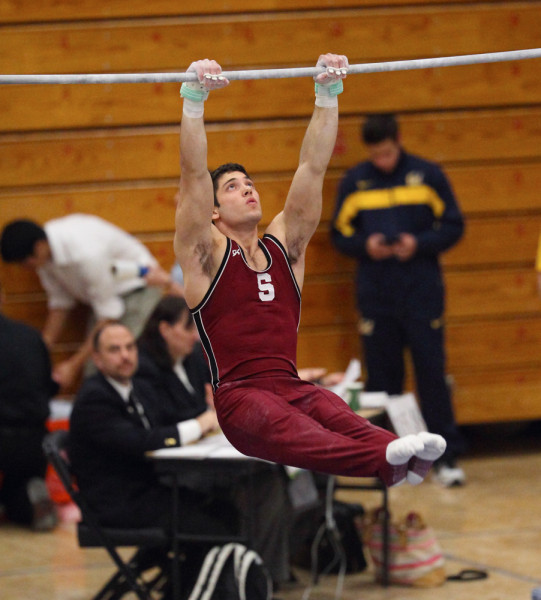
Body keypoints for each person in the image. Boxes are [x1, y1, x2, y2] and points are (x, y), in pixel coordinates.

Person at [173, 55, 447, 489]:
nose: (247, 189)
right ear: (211, 211)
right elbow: (191, 176)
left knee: (335, 411)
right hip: (241, 400)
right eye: (232, 187)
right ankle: (383, 459)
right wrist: (194, 100)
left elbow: (312, 168)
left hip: (290, 385)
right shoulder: (205, 256)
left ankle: (404, 458)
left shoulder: (286, 249)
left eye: (249, 183)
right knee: (300, 430)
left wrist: (327, 94)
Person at [331, 113, 466, 487]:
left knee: (431, 375)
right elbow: (339, 234)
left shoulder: (429, 175)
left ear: (399, 140)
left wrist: (418, 244)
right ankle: (385, 462)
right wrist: (365, 247)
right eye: (375, 155)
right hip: (376, 294)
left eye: (387, 153)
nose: (382, 161)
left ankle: (447, 458)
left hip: (422, 291)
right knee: (382, 380)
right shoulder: (355, 181)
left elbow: (454, 225)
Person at [135, 295, 293, 585]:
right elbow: (163, 422)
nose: (196, 336)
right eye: (188, 328)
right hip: (173, 470)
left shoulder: (193, 358)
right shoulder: (143, 369)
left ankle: (262, 573)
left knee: (273, 474)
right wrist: (205, 418)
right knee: (258, 485)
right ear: (165, 330)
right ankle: (256, 576)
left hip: (204, 453)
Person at [0, 214, 183, 390]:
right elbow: (60, 305)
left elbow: (109, 314)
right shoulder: (43, 255)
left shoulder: (86, 254)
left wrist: (73, 365)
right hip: (108, 301)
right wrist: (37, 352)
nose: (26, 267)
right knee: (96, 368)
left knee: (112, 364)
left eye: (25, 262)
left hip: (139, 290)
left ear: (38, 247)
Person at [0, 282, 59, 531]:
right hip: (36, 441)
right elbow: (48, 384)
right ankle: (27, 498)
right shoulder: (31, 336)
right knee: (19, 484)